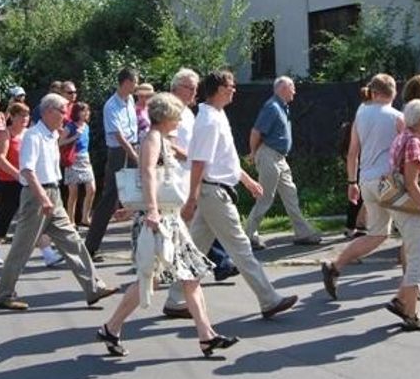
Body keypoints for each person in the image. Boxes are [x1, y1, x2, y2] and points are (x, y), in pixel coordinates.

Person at [97, 92, 239, 357]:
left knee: (189, 274)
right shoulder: (151, 139)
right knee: (150, 278)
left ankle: (206, 335)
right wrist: (150, 210)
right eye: (176, 115)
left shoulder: (162, 139)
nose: (179, 120)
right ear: (165, 116)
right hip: (160, 220)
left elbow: (176, 166)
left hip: (169, 218)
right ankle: (111, 326)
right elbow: (147, 173)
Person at [165, 70, 298, 320]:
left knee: (196, 249)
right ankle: (269, 300)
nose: (234, 89)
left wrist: (247, 181)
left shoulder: (217, 115)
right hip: (213, 193)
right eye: (230, 86)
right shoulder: (208, 120)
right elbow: (198, 162)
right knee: (241, 248)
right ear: (218, 89)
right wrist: (192, 199)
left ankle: (175, 299)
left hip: (215, 191)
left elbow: (226, 158)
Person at [0, 93, 118, 311]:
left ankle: (93, 287)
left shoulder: (51, 135)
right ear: (49, 111)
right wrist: (42, 198)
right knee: (22, 247)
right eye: (63, 111)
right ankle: (4, 294)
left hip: (53, 195)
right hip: (37, 197)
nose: (66, 116)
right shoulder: (33, 136)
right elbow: (27, 171)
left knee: (74, 242)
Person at [321, 74, 406, 299]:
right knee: (411, 230)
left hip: (366, 180)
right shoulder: (397, 117)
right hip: (388, 181)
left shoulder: (361, 113)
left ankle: (335, 266)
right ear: (394, 92)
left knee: (377, 234)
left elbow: (352, 153)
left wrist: (352, 182)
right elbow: (409, 150)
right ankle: (410, 288)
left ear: (374, 91)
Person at [163, 67, 237, 287]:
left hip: (192, 174)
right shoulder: (170, 109)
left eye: (195, 87)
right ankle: (165, 267)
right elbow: (168, 143)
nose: (193, 92)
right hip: (178, 174)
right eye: (189, 87)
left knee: (194, 227)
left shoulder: (188, 111)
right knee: (182, 225)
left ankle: (182, 277)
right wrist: (195, 157)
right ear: (176, 87)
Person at [382, 99, 420, 331]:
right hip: (412, 210)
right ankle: (411, 314)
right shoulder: (414, 143)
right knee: (418, 259)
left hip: (401, 208)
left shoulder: (403, 137)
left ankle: (401, 301)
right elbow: (411, 184)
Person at [244, 76, 322, 249]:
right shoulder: (272, 107)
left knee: (291, 195)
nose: (295, 91)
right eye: (292, 87)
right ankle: (247, 236)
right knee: (265, 198)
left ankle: (303, 233)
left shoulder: (282, 107)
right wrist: (253, 152)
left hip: (279, 158)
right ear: (282, 89)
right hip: (269, 156)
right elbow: (256, 132)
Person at [84, 67, 141, 257]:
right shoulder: (111, 105)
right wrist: (134, 156)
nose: (137, 85)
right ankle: (90, 246)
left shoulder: (130, 100)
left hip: (133, 146)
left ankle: (141, 246)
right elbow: (118, 135)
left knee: (139, 195)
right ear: (125, 82)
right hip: (120, 151)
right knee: (110, 197)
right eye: (135, 82)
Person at [0, 101, 31, 265]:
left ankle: (47, 252)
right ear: (12, 117)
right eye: (21, 116)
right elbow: (0, 158)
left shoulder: (28, 134)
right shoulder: (6, 134)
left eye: (27, 115)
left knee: (33, 214)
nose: (25, 119)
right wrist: (17, 174)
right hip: (7, 182)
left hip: (26, 180)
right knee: (5, 215)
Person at [60, 101, 95, 228]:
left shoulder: (86, 126)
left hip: (85, 158)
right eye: (83, 111)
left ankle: (85, 217)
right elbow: (60, 142)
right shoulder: (70, 126)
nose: (86, 113)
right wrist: (75, 137)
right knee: (73, 191)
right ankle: (71, 220)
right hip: (73, 159)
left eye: (87, 110)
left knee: (91, 189)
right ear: (77, 112)